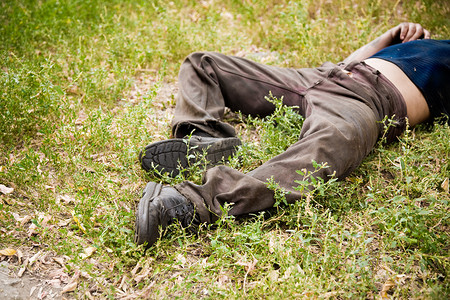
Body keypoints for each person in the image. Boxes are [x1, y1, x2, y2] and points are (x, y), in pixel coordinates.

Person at [134, 23, 450, 247]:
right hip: (326, 75)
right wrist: (389, 37)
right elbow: (355, 60)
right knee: (203, 64)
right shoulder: (431, 43)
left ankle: (192, 203)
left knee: (332, 143)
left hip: (369, 101)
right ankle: (203, 137)